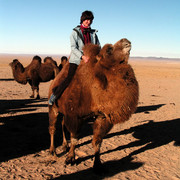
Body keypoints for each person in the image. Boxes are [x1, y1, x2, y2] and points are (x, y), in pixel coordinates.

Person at [48, 10, 100, 105]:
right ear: (82, 20)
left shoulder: (93, 33)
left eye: (90, 20)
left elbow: (98, 46)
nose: (88, 22)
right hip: (77, 59)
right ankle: (54, 95)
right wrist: (82, 57)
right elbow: (73, 48)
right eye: (86, 19)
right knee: (69, 78)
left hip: (90, 60)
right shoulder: (75, 32)